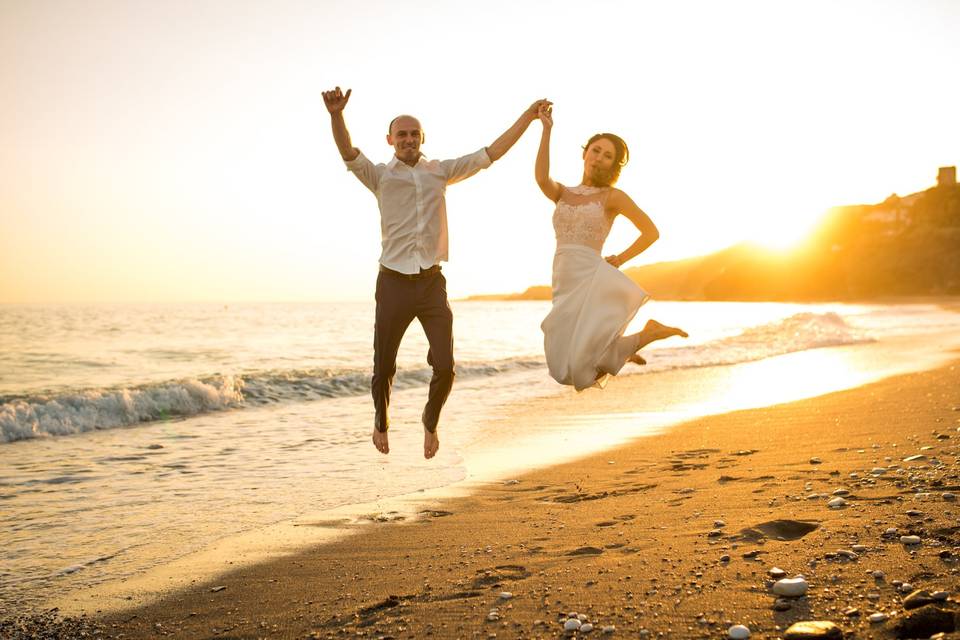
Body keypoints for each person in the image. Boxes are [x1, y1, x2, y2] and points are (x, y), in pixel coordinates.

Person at [322, 86, 550, 459]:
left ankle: (430, 420)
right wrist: (336, 116)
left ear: (422, 138)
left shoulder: (440, 172)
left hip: (431, 283)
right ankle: (381, 421)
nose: (408, 139)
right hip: (393, 282)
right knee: (383, 367)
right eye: (402, 134)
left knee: (445, 365)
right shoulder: (379, 176)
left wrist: (528, 115)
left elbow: (491, 153)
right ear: (390, 140)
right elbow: (348, 151)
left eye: (414, 134)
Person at [534, 104, 687, 390]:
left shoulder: (612, 197)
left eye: (608, 156)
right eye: (596, 150)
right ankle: (634, 343)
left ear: (612, 165)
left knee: (581, 370)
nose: (600, 158)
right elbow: (541, 177)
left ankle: (640, 340)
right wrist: (546, 129)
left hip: (591, 275)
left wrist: (621, 258)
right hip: (563, 279)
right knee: (560, 364)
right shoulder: (562, 192)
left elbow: (650, 232)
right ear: (584, 153)